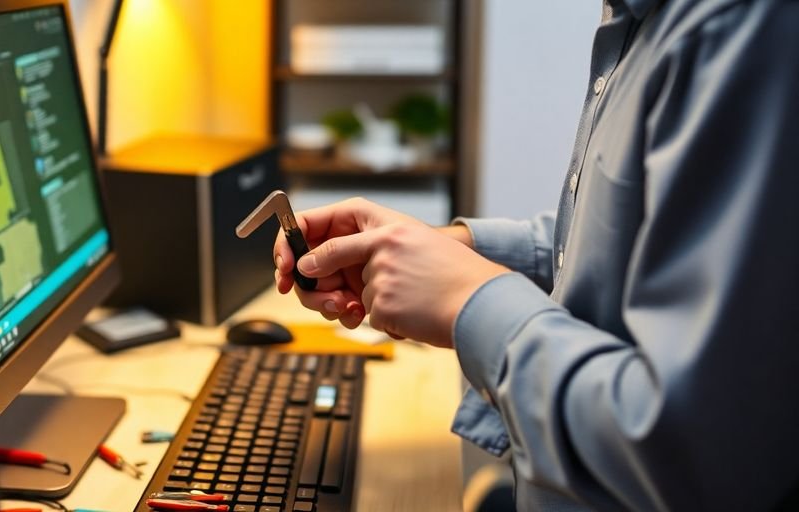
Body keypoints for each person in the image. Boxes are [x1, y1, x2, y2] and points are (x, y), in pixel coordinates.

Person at [272, 0, 799, 510]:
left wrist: (467, 298)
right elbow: (626, 245)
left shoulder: (738, 26)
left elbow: (689, 453)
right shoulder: (639, 20)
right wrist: (445, 249)